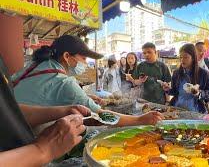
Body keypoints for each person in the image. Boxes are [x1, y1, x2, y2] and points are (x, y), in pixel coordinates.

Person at [12, 35, 163, 128]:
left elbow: (44, 93)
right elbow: (102, 116)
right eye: (83, 58)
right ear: (66, 56)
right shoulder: (65, 82)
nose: (85, 63)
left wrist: (86, 97)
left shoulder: (33, 66)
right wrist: (139, 119)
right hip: (23, 138)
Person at [163, 43, 209, 113]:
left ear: (193, 58)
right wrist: (168, 89)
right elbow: (175, 92)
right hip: (177, 109)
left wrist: (199, 93)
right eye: (180, 57)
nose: (182, 60)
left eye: (186, 57)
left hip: (196, 111)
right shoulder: (176, 73)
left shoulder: (203, 73)